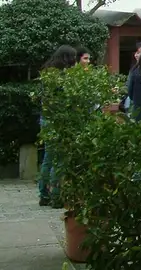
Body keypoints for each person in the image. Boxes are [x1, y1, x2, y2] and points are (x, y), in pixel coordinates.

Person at [38, 45, 78, 207]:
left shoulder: (47, 73)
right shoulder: (63, 77)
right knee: (59, 160)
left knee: (48, 158)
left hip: (45, 118)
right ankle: (56, 195)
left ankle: (43, 194)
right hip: (58, 120)